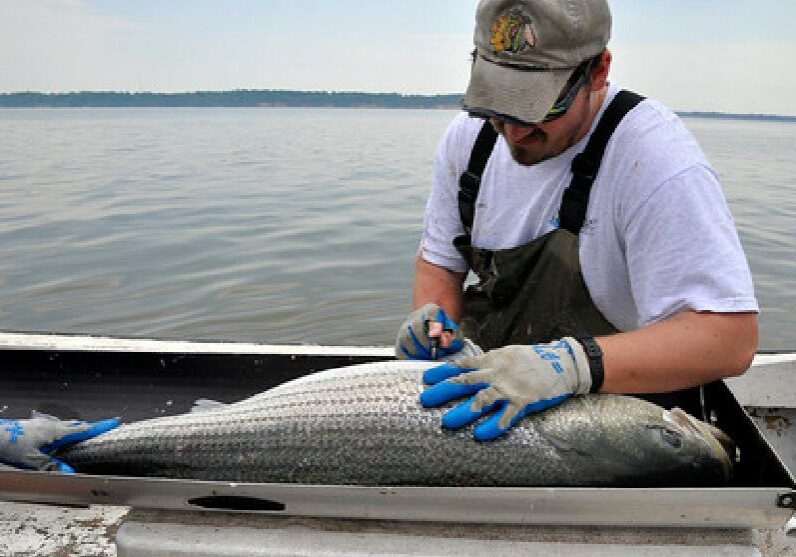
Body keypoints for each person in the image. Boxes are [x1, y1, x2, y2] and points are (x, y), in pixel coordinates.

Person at [395, 0, 759, 441]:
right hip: (489, 402)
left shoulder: (656, 163)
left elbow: (727, 340)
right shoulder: (470, 140)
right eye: (498, 104)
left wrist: (570, 365)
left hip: (616, 417)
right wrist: (434, 328)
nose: (514, 132)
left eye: (539, 108)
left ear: (599, 71)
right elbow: (440, 262)